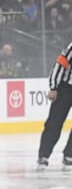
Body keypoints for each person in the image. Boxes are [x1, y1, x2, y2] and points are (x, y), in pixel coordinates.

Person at [37, 40, 72, 171]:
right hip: (66, 88)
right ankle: (43, 156)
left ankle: (69, 155)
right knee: (54, 123)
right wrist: (53, 87)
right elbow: (60, 64)